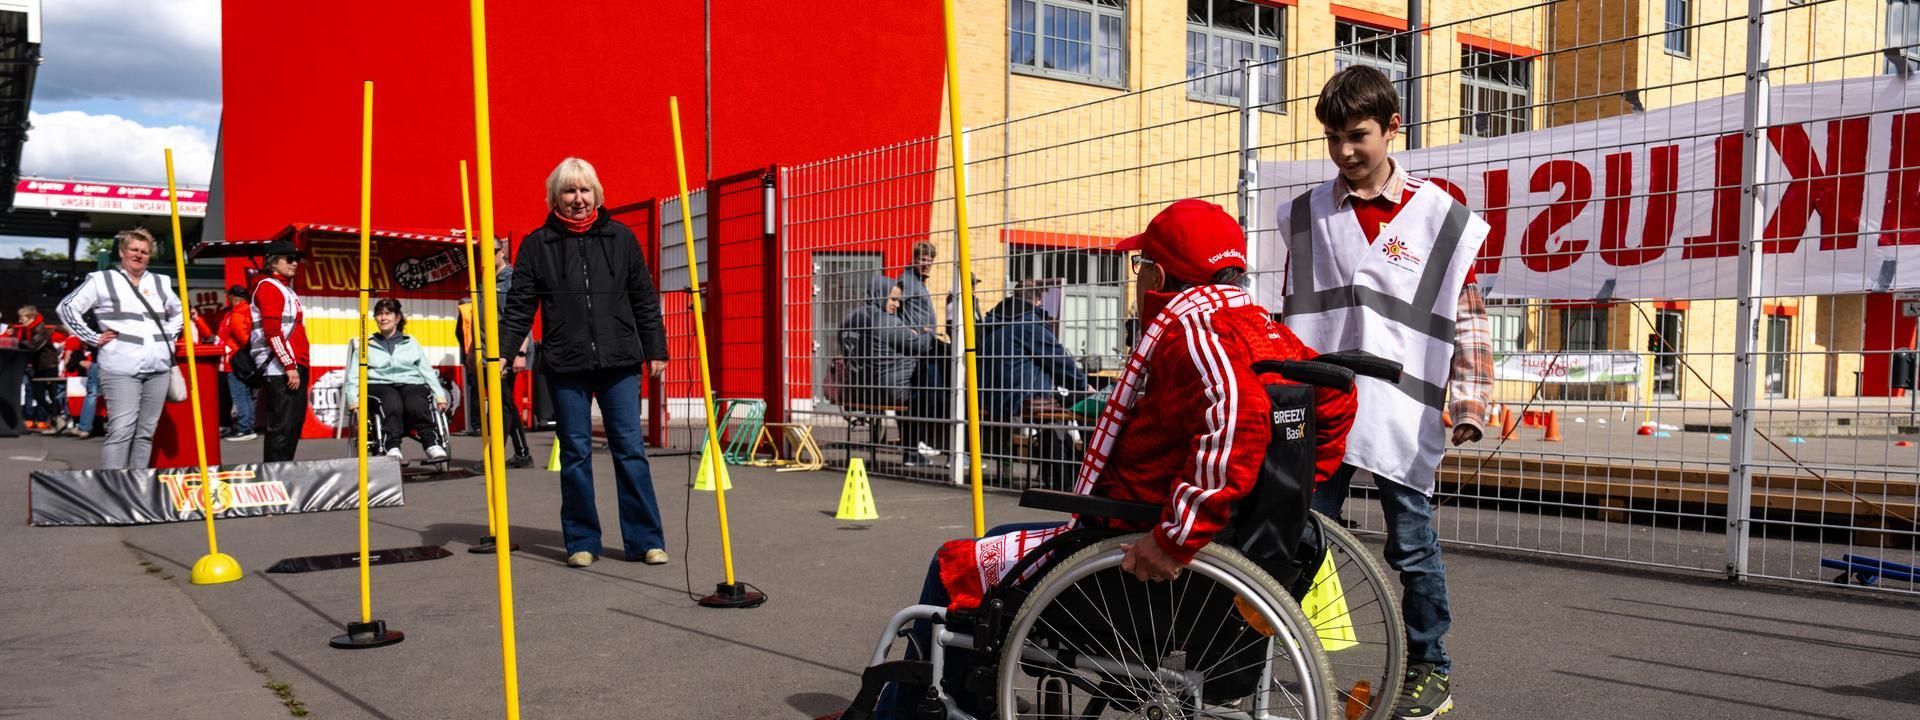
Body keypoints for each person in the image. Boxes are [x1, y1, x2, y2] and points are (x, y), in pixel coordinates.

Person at [871, 200, 1356, 719]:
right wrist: (1280, 497)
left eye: (1141, 263)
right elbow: (1338, 399)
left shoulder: (1194, 332)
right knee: (997, 545)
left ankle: (908, 713)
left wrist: (1178, 537)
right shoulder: (1268, 331)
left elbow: (1236, 414)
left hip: (1133, 562)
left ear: (1161, 273)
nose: (1139, 274)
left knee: (956, 564)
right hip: (1226, 555)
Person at [1259, 65, 1492, 720]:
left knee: (1412, 544)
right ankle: (1266, 659)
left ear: (1394, 128)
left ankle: (1431, 667)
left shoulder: (1439, 219)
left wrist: (1470, 403)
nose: (1344, 152)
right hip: (1323, 404)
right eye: (1333, 137)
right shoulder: (1305, 216)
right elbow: (1291, 310)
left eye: (1357, 135)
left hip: (1401, 409)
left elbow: (1467, 314)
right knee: (1299, 530)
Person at [499, 157, 670, 569]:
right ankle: (581, 540)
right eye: (569, 191)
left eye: (584, 190)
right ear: (555, 197)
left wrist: (656, 349)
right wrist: (504, 351)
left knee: (629, 450)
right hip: (566, 362)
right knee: (575, 453)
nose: (578, 199)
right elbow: (520, 304)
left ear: (597, 194)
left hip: (620, 361)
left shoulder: (621, 238)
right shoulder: (538, 245)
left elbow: (644, 298)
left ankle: (645, 540)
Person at [54, 229, 184, 469]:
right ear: (122, 252)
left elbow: (179, 312)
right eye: (134, 250)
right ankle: (114, 490)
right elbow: (67, 308)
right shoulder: (102, 280)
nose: (139, 255)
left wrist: (169, 337)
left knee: (146, 432)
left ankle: (136, 487)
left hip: (159, 367)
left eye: (144, 252)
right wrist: (92, 337)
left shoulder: (160, 282)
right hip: (120, 366)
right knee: (121, 430)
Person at [979, 279, 1090, 490]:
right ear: (1038, 300)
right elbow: (1058, 360)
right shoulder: (1029, 322)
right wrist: (1084, 385)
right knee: (1083, 404)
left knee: (1058, 413)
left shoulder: (994, 320)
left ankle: (1059, 474)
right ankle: (1074, 478)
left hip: (992, 396)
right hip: (1023, 396)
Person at [346, 298, 450, 461]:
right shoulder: (365, 344)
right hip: (378, 385)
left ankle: (432, 444)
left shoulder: (411, 342)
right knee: (390, 399)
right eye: (379, 314)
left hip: (410, 383)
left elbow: (427, 371)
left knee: (415, 400)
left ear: (397, 318)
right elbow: (353, 375)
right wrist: (353, 402)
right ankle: (392, 446)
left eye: (388, 313)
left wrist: (440, 396)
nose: (383, 318)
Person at [251, 239, 310, 463]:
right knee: (282, 429)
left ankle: (284, 476)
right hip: (281, 369)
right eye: (289, 259)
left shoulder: (286, 289)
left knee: (292, 427)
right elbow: (272, 331)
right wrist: (289, 365)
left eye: (297, 259)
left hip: (294, 364)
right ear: (274, 263)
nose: (295, 263)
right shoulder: (268, 287)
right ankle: (275, 479)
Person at [837, 274, 930, 410]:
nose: (897, 305)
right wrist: (929, 334)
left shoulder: (848, 319)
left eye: (898, 301)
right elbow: (921, 345)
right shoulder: (885, 321)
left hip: (857, 392)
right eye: (893, 299)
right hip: (891, 392)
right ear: (880, 295)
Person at [897, 241, 945, 464]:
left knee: (916, 400)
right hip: (912, 353)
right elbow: (893, 308)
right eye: (922, 259)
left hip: (921, 350)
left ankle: (914, 448)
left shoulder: (918, 282)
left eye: (929, 260)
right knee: (912, 400)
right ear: (914, 259)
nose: (926, 264)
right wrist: (912, 332)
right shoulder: (906, 281)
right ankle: (912, 449)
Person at [218, 285, 257, 440]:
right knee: (245, 394)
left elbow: (243, 338)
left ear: (233, 297)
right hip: (243, 360)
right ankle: (248, 426)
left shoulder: (236, 314)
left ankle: (244, 428)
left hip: (235, 360)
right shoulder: (248, 310)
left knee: (240, 395)